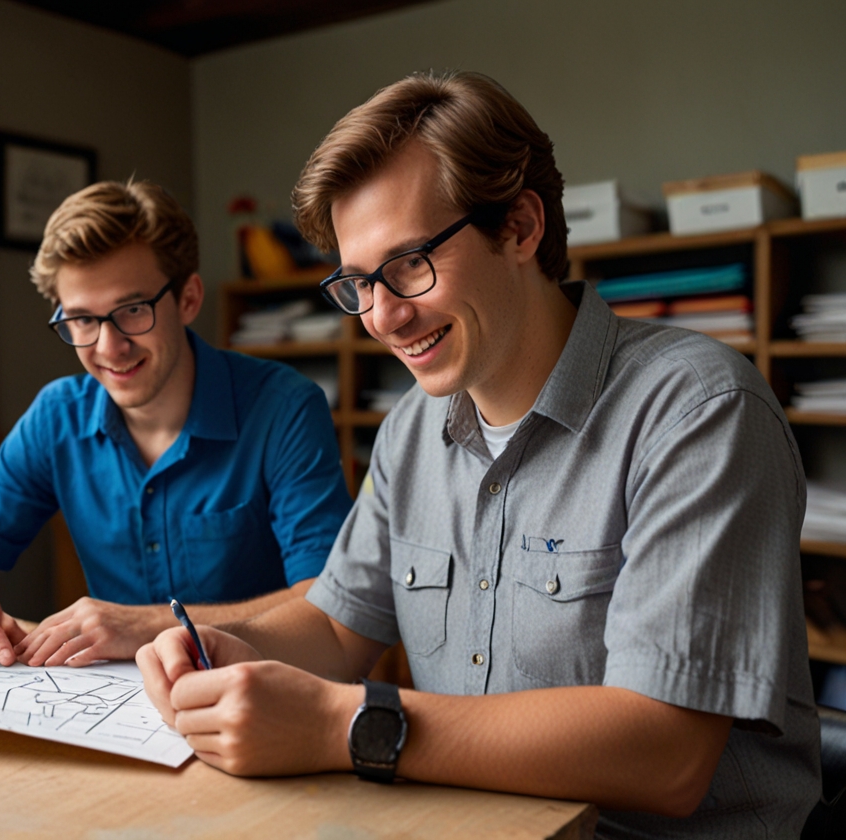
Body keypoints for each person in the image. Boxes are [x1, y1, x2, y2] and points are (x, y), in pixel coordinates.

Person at [138, 71, 820, 837]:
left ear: (520, 228)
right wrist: (227, 648)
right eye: (358, 283)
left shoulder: (699, 410)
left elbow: (665, 756)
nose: (383, 317)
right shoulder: (409, 432)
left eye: (409, 265)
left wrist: (345, 725)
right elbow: (338, 629)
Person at [0, 180, 351, 670]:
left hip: (265, 696)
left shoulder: (285, 409)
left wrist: (150, 625)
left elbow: (328, 602)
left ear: (188, 298)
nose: (109, 347)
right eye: (81, 320)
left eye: (133, 310)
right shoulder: (56, 416)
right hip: (114, 710)